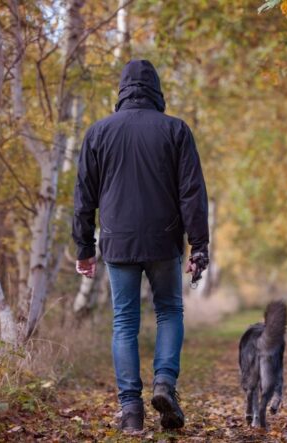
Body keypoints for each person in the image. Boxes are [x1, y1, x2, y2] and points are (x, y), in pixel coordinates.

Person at [72, 59, 209, 433]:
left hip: (117, 241)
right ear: (156, 90)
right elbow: (192, 193)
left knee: (124, 321)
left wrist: (84, 247)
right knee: (169, 311)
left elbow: (84, 196)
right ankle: (164, 382)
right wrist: (199, 245)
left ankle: (131, 410)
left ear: (121, 90)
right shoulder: (175, 130)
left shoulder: (98, 132)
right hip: (164, 239)